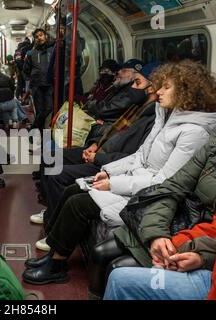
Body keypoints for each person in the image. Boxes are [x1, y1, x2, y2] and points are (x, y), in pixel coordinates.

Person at [22, 60, 216, 285]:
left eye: (166, 87)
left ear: (188, 91)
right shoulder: (167, 116)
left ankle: (57, 265)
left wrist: (114, 184)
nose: (158, 91)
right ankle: (54, 252)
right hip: (137, 180)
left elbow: (165, 182)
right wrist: (109, 173)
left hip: (154, 196)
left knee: (78, 203)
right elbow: (140, 156)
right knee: (73, 189)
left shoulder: (194, 133)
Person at [92, 122, 216, 297]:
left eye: (164, 90)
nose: (156, 92)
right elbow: (172, 187)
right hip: (176, 221)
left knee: (118, 269)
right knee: (100, 252)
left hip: (199, 242)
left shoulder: (195, 132)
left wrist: (202, 256)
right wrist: (156, 234)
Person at [31, 62, 161, 252]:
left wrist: (97, 158)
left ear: (152, 87)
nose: (132, 88)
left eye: (137, 83)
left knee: (56, 173)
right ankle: (52, 212)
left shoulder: (152, 119)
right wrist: (95, 143)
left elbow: (132, 155)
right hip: (101, 150)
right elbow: (114, 131)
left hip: (110, 163)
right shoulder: (137, 108)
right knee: (51, 156)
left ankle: (55, 229)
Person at [103, 202, 216, 300]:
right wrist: (162, 240)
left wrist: (203, 258)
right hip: (215, 271)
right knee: (116, 273)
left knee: (120, 277)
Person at [23, 28, 55, 132]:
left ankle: (33, 129)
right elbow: (26, 70)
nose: (39, 38)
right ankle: (40, 134)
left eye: (41, 35)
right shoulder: (31, 53)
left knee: (49, 108)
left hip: (49, 83)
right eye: (36, 37)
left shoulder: (52, 50)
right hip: (37, 85)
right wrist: (33, 76)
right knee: (40, 110)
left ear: (45, 35)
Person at [0, 60, 18, 129]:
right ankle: (15, 121)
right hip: (10, 101)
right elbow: (13, 87)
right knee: (14, 107)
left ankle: (8, 123)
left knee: (3, 109)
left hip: (0, 104)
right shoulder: (5, 77)